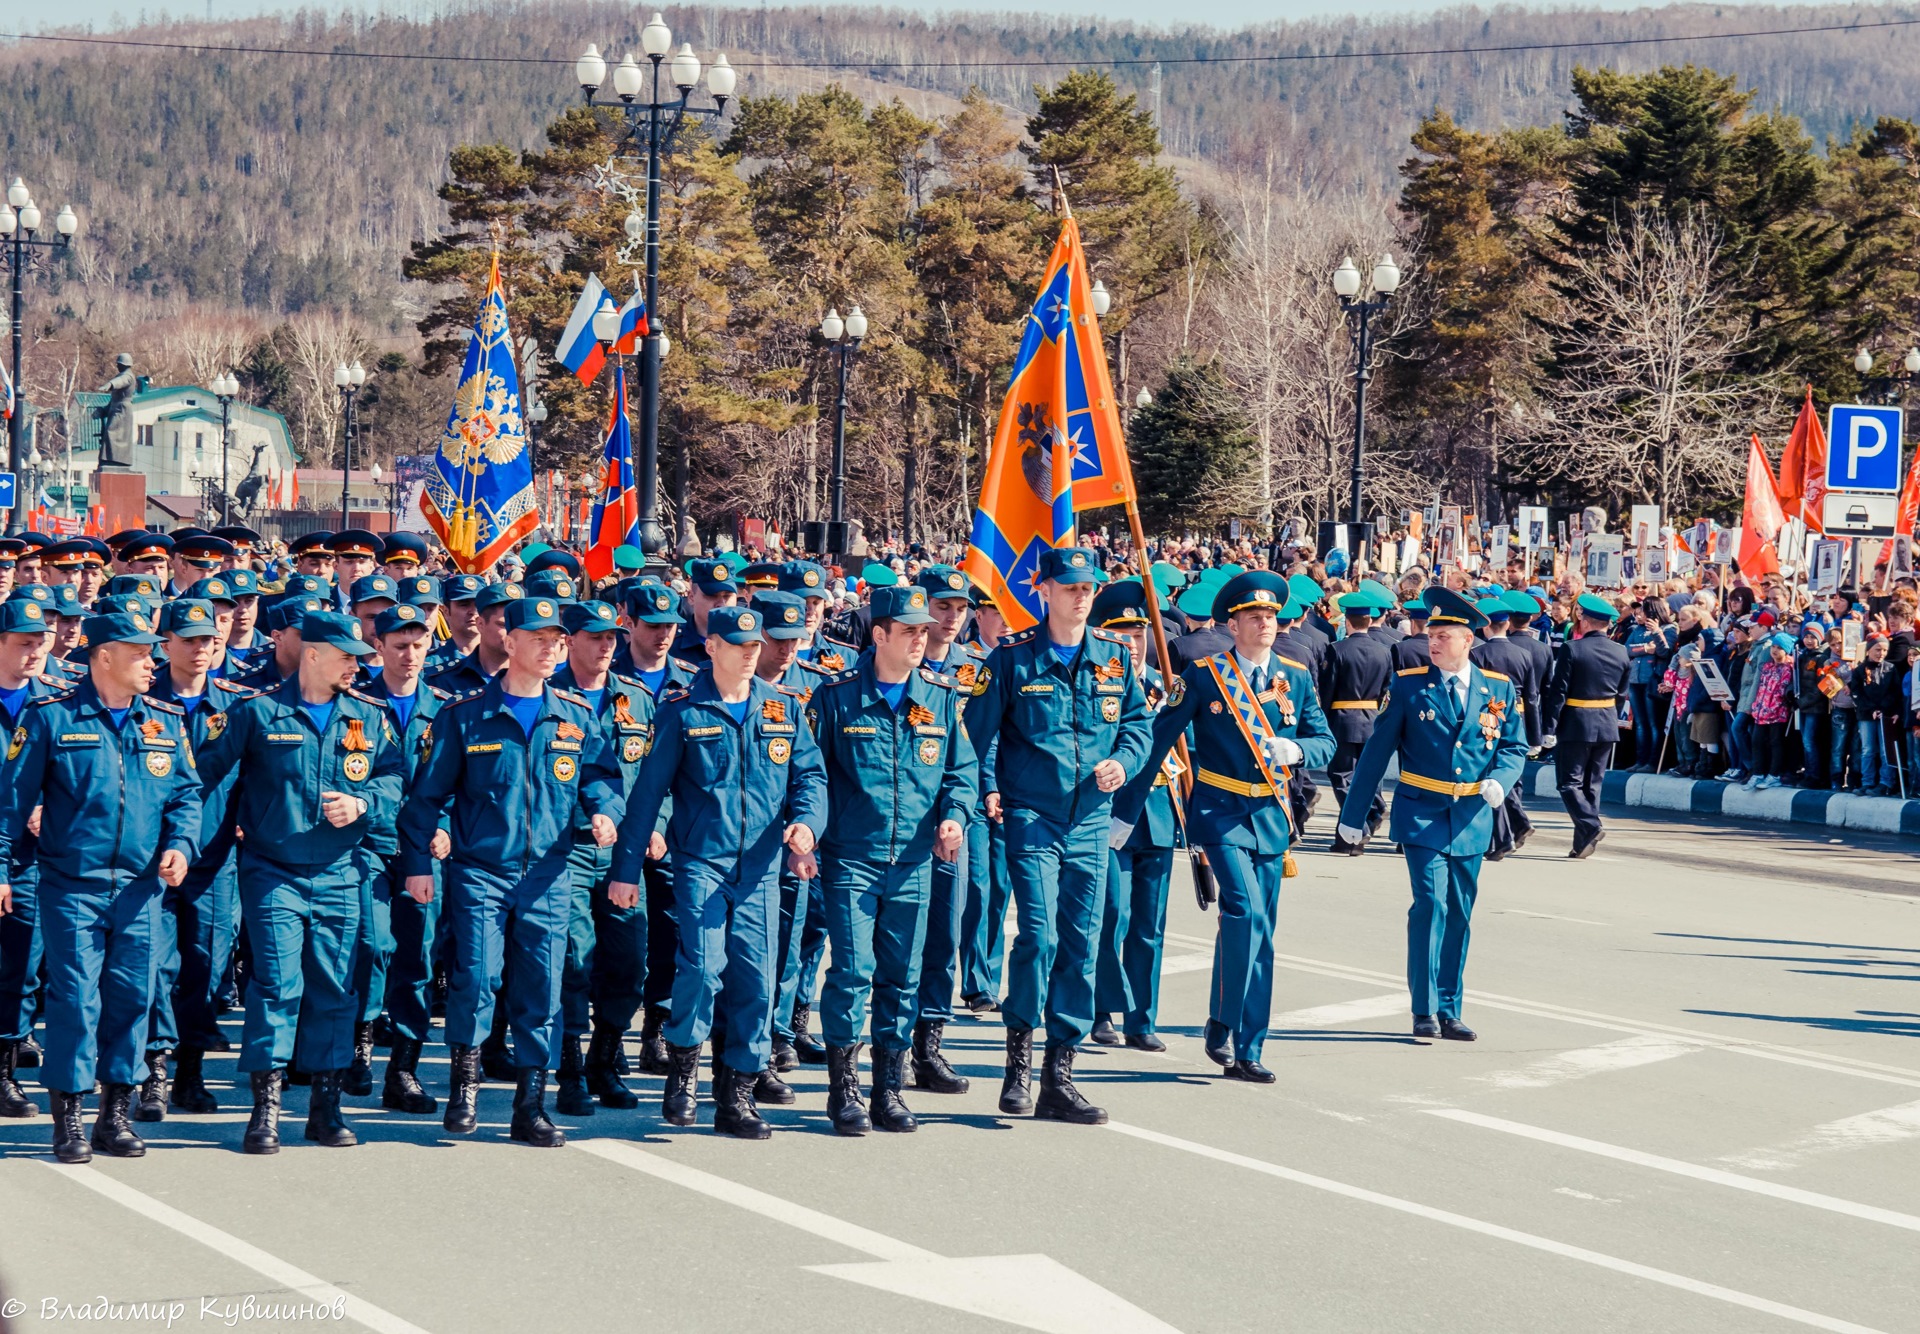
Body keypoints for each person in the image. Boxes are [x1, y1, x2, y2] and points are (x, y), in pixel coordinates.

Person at [396, 596, 624, 1148]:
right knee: (476, 979)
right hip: (481, 871)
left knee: (542, 989)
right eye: (539, 638)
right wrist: (420, 864)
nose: (551, 648)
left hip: (549, 872)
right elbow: (426, 800)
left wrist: (601, 811)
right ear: (511, 641)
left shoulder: (574, 716)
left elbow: (601, 778)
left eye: (557, 640)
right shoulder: (465, 716)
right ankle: (464, 1090)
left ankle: (531, 1103)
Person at [608, 605, 828, 1139]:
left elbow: (811, 778)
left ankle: (738, 1092)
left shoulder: (782, 709)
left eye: (756, 648)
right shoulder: (683, 711)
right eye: (739, 647)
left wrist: (806, 825)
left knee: (756, 981)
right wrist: (626, 870)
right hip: (701, 862)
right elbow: (646, 796)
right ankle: (683, 1074)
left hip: (759, 868)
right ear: (712, 648)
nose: (751, 656)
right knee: (703, 969)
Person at [196, 611, 406, 1154]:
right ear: (312, 654)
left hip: (340, 872)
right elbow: (203, 775)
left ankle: (325, 1106)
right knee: (277, 986)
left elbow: (394, 777)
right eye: (346, 658)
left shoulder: (370, 716)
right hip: (273, 871)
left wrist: (363, 803)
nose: (356, 669)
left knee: (334, 989)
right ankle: (265, 1109)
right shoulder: (259, 711)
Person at [0, 610, 201, 1162]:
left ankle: (114, 1114)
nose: (152, 661)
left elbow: (186, 795)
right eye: (140, 653)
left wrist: (180, 846)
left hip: (140, 891)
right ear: (104, 656)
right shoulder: (51, 718)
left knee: (132, 1002)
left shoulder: (163, 719)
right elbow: (11, 806)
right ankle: (69, 1118)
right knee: (74, 1002)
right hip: (71, 887)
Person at [1116, 572, 1334, 1079]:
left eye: (1271, 617)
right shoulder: (1203, 675)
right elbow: (1158, 739)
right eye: (1254, 617)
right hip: (1219, 812)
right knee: (1245, 913)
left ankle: (1240, 1038)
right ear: (1232, 625)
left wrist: (1299, 748)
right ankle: (1231, 1024)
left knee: (1265, 932)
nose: (1265, 624)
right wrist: (1125, 811)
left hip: (1271, 817)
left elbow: (1323, 739)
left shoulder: (1296, 676)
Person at [964, 546, 1152, 1124]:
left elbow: (1138, 725)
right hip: (1032, 814)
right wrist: (988, 788)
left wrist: (1125, 760)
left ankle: (1058, 1072)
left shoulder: (1115, 659)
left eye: (1087, 586)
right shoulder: (1012, 659)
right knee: (1039, 937)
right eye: (1068, 585)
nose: (1079, 595)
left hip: (1091, 819)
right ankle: (1018, 1057)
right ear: (1043, 589)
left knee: (1081, 942)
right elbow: (976, 735)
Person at [807, 585, 977, 1134]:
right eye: (908, 630)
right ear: (878, 634)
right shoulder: (835, 699)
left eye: (923, 630)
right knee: (854, 973)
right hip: (851, 859)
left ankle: (890, 1088)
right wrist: (807, 833)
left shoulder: (942, 697)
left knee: (902, 978)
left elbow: (960, 771)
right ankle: (845, 1090)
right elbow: (812, 774)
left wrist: (955, 814)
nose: (919, 639)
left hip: (912, 861)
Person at [1337, 588, 1529, 1040]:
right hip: (1421, 813)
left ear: (1468, 640)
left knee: (1460, 911)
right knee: (1430, 903)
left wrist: (1501, 777)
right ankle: (1424, 1007)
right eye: (1431, 634)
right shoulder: (1408, 686)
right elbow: (1375, 755)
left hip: (1471, 816)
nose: (1433, 642)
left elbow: (1514, 746)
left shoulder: (1497, 687)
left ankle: (1451, 1008)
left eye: (1444, 635)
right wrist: (1354, 815)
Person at [138, 600, 258, 1121]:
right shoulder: (140, 699)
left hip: (213, 861)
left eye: (209, 640)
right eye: (189, 639)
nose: (201, 649)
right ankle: (153, 1074)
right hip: (149, 864)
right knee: (152, 969)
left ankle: (190, 1071)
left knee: (204, 968)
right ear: (165, 644)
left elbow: (258, 775)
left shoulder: (237, 705)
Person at [550, 598, 658, 1115]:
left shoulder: (634, 700)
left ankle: (605, 1059)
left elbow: (662, 777)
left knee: (625, 963)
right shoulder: (549, 697)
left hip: (624, 852)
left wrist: (657, 827)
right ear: (568, 640)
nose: (605, 645)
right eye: (593, 637)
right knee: (573, 960)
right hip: (566, 849)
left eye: (611, 637)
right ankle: (570, 1069)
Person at [358, 603, 450, 1116]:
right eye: (399, 646)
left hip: (421, 849)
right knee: (372, 944)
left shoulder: (446, 708)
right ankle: (361, 1045)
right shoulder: (357, 702)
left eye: (418, 645)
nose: (409, 655)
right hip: (369, 844)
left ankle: (404, 1068)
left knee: (417, 955)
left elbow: (463, 781)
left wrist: (448, 826)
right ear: (379, 647)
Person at [1091, 579, 1183, 1052]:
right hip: (1110, 816)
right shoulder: (1095, 687)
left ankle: (1141, 1016)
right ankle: (1102, 1007)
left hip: (1160, 815)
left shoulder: (1169, 686)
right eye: (1121, 633)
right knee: (1112, 914)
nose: (1132, 641)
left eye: (1139, 632)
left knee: (1149, 924)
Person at [906, 565, 987, 1093]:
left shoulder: (977, 669)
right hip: (904, 816)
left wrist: (984, 795)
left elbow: (987, 741)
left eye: (960, 609)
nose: (952, 618)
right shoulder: (893, 664)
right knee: (893, 940)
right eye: (942, 607)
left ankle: (928, 1044)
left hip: (958, 814)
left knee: (946, 928)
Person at [0, 598, 66, 1119]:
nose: (35, 652)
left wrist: (45, 806)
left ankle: (5, 1068)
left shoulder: (57, 703)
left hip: (33, 857)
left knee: (21, 962)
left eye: (40, 642)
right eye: (24, 643)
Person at [1540, 593, 1632, 858]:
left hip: (1577, 723)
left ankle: (1591, 826)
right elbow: (1621, 692)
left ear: (1585, 620)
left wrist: (1549, 728)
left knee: (1569, 783)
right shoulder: (1621, 650)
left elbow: (1559, 692)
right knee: (1592, 786)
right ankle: (1583, 842)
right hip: (1606, 723)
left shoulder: (1572, 648)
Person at [1321, 586, 1395, 855]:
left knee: (1342, 777)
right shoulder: (1384, 651)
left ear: (1347, 621)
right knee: (1366, 777)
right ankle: (1352, 831)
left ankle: (1358, 827)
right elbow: (1387, 689)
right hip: (1372, 719)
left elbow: (1327, 689)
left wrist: (1323, 720)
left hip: (1342, 719)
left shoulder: (1337, 650)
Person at [1469, 595, 1543, 859]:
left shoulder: (1477, 654)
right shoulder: (1523, 653)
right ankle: (1513, 828)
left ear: (1486, 625)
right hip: (1518, 718)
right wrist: (1535, 735)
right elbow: (1532, 697)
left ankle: (1508, 832)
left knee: (1492, 776)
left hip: (1488, 718)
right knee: (1507, 774)